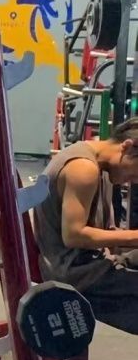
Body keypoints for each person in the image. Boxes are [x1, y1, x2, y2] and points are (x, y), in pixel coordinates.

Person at [33, 120, 138, 335]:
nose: (135, 181)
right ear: (127, 147)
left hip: (90, 266)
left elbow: (104, 234)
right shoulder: (83, 169)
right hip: (77, 276)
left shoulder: (101, 167)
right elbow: (74, 235)